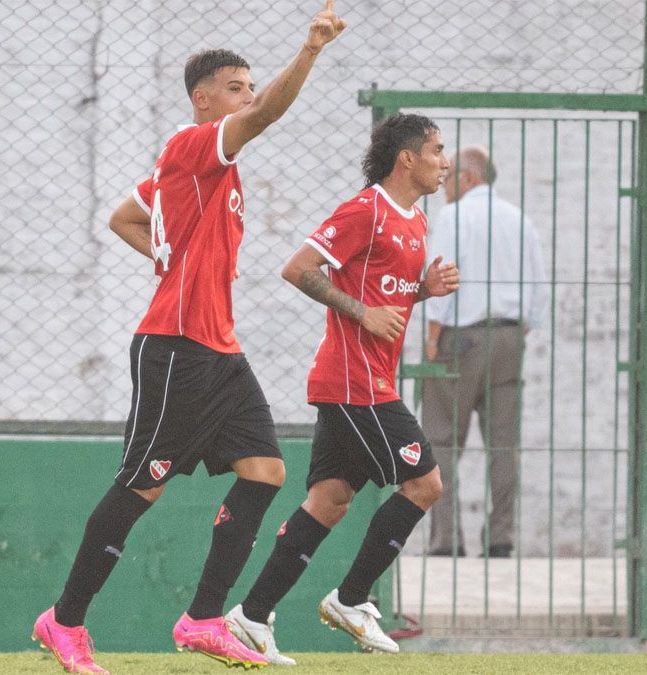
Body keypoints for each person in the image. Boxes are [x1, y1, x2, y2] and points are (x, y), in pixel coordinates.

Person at [31, 3, 347, 672]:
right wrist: (311, 49)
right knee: (140, 486)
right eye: (237, 87)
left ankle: (203, 617)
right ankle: (63, 620)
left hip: (219, 348)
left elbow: (124, 215)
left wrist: (166, 254)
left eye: (249, 85)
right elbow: (264, 117)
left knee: (265, 470)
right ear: (206, 98)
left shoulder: (205, 167)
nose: (250, 96)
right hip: (175, 345)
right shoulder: (194, 142)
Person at [223, 113, 459, 664]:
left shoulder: (417, 221)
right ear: (407, 159)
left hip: (360, 382)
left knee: (329, 500)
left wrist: (419, 293)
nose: (445, 162)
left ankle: (251, 616)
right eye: (437, 151)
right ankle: (351, 601)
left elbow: (385, 299)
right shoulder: (366, 210)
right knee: (425, 485)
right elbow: (299, 268)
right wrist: (362, 313)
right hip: (357, 385)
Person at [420, 145, 549, 558]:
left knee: (441, 439)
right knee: (503, 445)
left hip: (461, 337)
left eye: (449, 174)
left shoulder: (454, 217)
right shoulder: (520, 219)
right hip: (511, 339)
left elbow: (441, 277)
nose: (442, 182)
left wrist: (432, 337)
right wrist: (517, 333)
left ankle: (446, 541)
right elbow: (538, 292)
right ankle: (500, 539)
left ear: (470, 178)